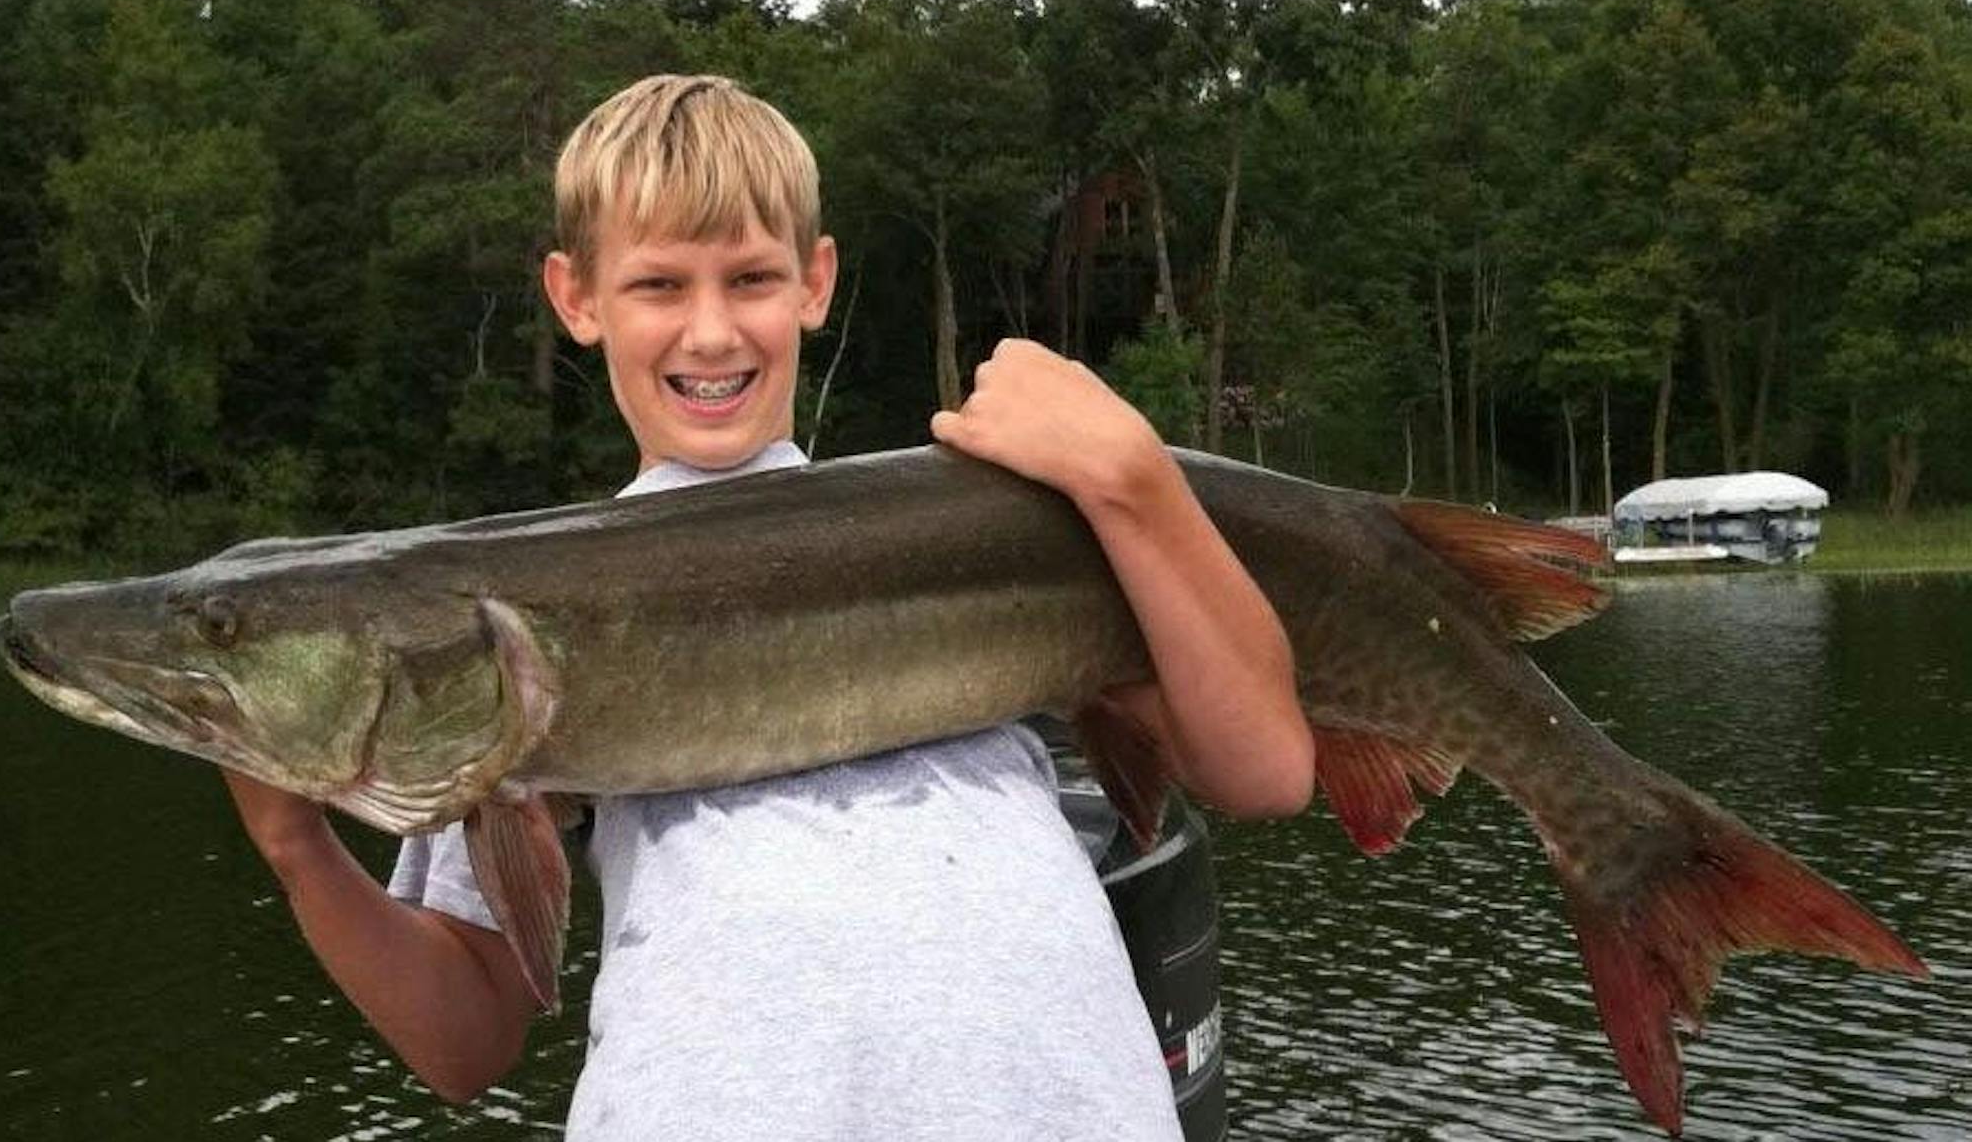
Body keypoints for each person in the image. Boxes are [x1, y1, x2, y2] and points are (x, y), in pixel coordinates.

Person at [221, 73, 1315, 1140]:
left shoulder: (987, 527)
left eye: (749, 278)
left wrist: (1134, 476)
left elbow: (1263, 770)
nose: (710, 332)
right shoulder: (497, 631)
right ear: (577, 297)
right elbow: (466, 1045)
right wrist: (298, 848)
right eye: (658, 286)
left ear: (815, 281)